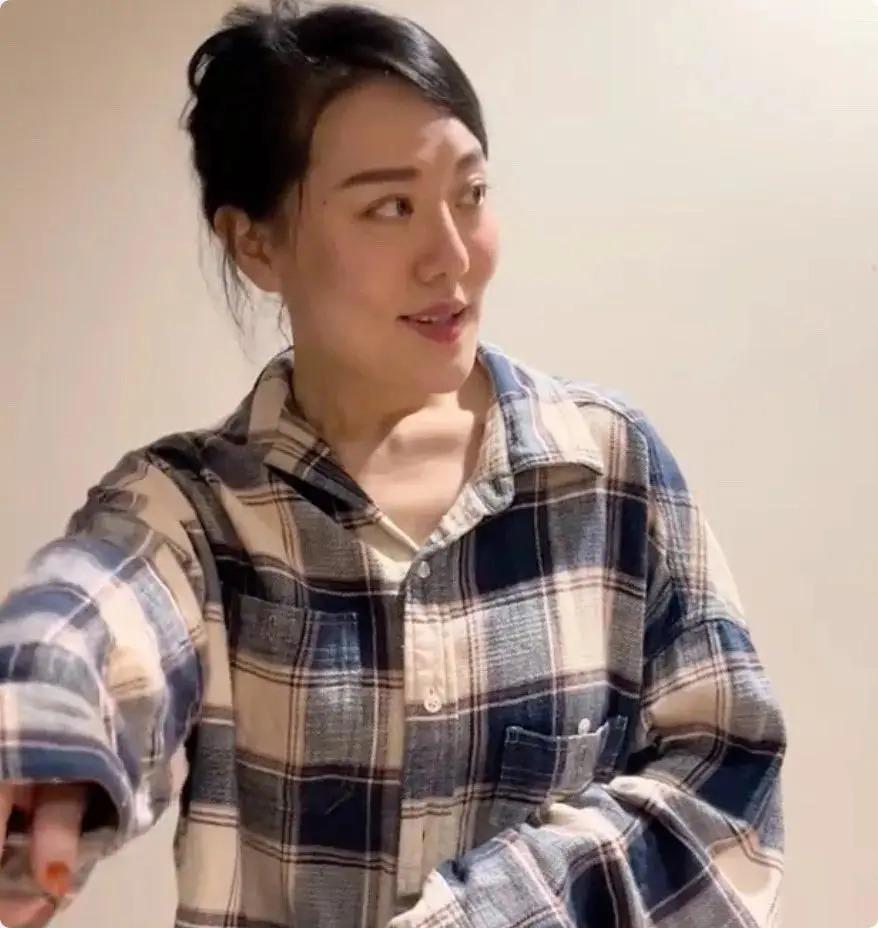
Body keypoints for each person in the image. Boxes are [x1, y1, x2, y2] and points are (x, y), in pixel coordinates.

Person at [0, 2, 787, 926]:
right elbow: (100, 603)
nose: (451, 257)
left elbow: (727, 790)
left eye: (471, 194)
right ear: (255, 242)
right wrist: (41, 731)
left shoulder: (607, 471)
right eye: (390, 207)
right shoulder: (194, 508)